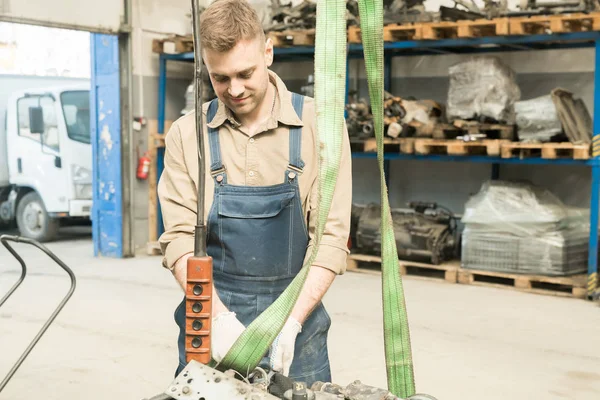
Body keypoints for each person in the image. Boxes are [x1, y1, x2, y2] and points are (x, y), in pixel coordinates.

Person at [157, 0, 352, 387]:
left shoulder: (321, 126)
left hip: (297, 319)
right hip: (212, 314)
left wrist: (292, 322)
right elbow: (178, 238)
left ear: (268, 51)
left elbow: (330, 239)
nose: (235, 89)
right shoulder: (186, 133)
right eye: (220, 78)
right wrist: (216, 317)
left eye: (245, 73)